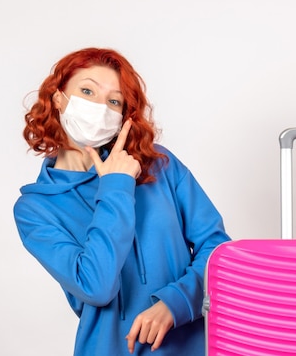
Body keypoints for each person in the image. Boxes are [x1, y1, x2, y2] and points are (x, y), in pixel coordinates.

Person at [13, 47, 230, 355]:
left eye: (113, 101)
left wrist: (175, 303)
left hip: (194, 346)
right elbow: (96, 287)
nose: (100, 108)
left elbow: (218, 249)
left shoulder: (159, 164)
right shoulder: (36, 209)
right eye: (87, 91)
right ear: (59, 97)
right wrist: (116, 185)